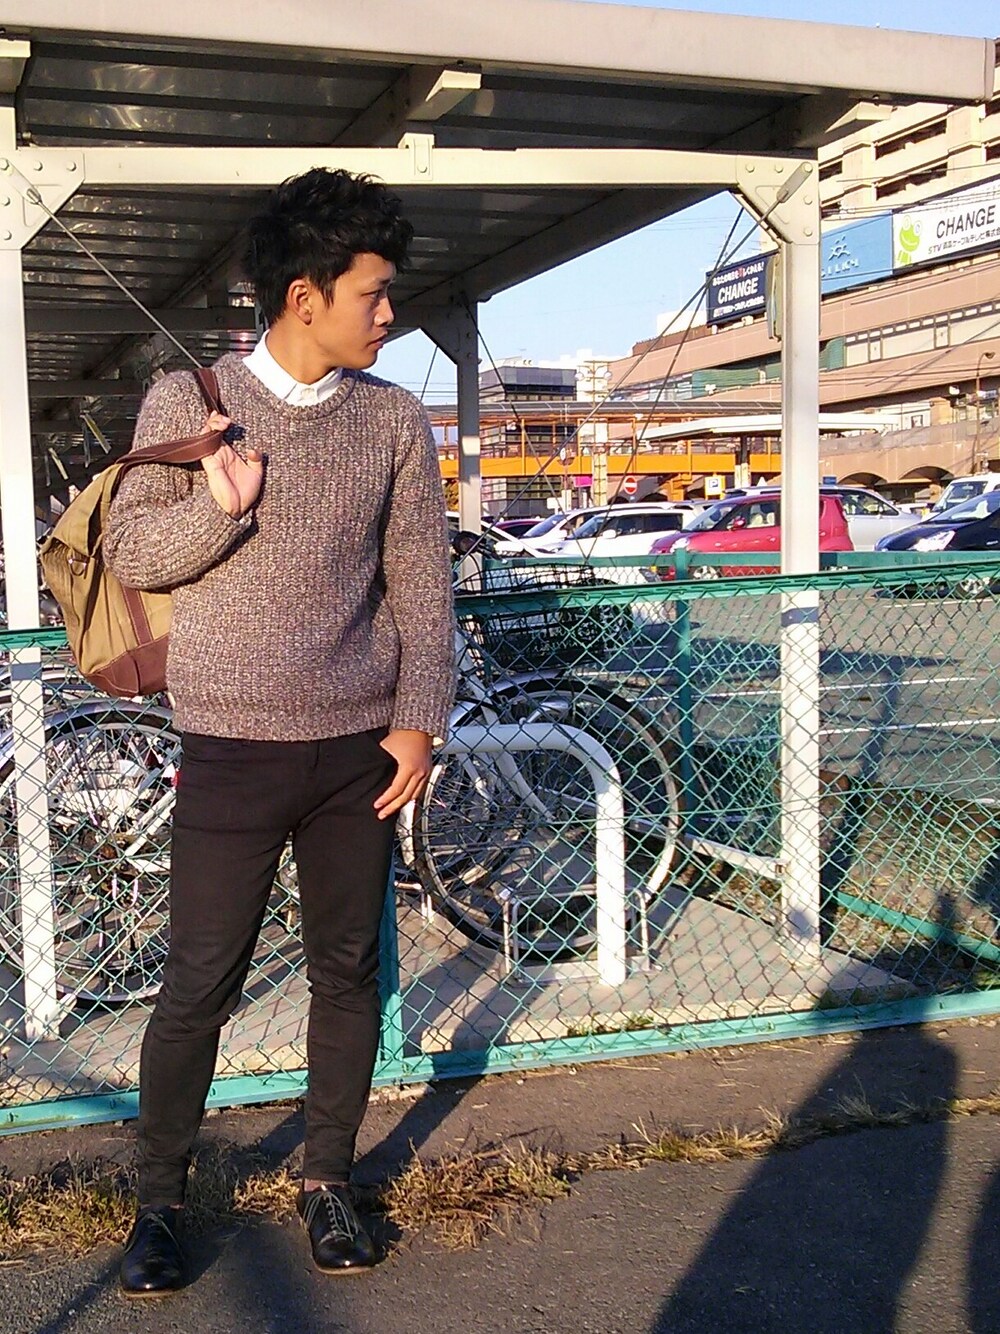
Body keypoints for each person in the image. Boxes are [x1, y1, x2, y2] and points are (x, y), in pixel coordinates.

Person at [104, 168, 455, 1296]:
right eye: (373, 293)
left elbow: (421, 581)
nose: (389, 313)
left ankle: (327, 1179)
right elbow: (131, 554)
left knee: (350, 970)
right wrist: (222, 505)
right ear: (306, 296)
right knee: (201, 979)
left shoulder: (391, 417)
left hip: (359, 749)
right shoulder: (191, 399)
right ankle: (160, 1203)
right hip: (230, 749)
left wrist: (420, 720)